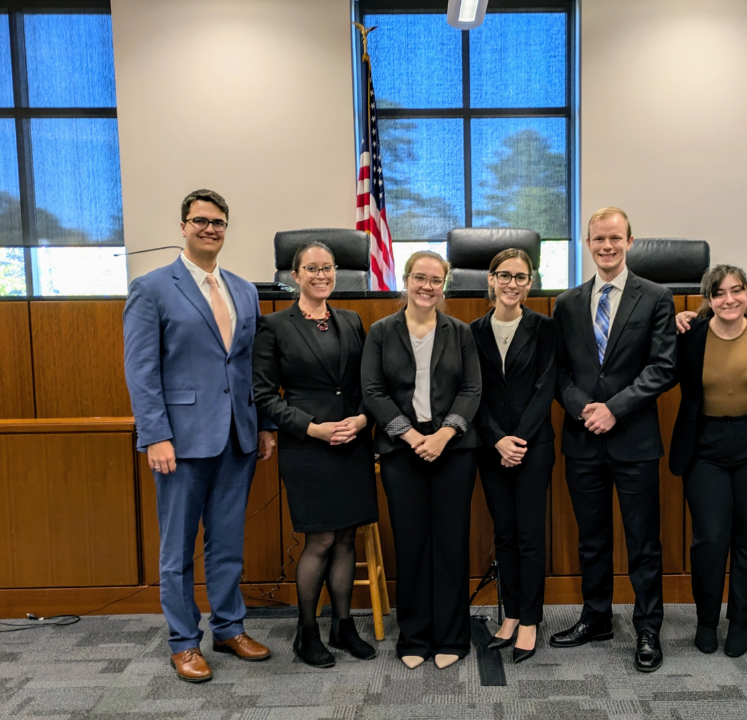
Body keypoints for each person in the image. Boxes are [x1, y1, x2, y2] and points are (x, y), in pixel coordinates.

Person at [123, 189, 276, 683]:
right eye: (200, 221)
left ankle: (229, 627)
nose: (210, 229)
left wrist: (265, 425)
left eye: (219, 222)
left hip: (238, 438)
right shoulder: (151, 288)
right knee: (177, 549)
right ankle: (184, 641)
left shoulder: (244, 289)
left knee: (228, 542)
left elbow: (253, 364)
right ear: (183, 227)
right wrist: (155, 435)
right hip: (180, 441)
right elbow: (141, 370)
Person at [550, 206, 676, 673]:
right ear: (587, 243)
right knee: (592, 539)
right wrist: (584, 407)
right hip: (583, 439)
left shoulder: (657, 297)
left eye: (615, 238)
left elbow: (663, 367)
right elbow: (559, 371)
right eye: (598, 239)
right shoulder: (566, 303)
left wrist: (614, 409)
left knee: (643, 541)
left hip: (635, 440)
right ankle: (596, 617)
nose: (607, 246)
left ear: (629, 241)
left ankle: (647, 629)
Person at [252, 241, 379, 668]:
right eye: (311, 268)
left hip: (352, 440)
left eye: (327, 268)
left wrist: (362, 420)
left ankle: (343, 627)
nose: (321, 275)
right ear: (294, 275)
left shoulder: (351, 320)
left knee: (346, 536)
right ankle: (307, 633)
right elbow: (265, 396)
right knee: (321, 538)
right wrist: (313, 428)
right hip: (308, 445)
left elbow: (367, 384)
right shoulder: (273, 326)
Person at [360, 251, 482, 670]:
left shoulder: (460, 331)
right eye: (419, 278)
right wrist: (413, 437)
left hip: (454, 452)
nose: (427, 286)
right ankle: (413, 636)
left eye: (435, 280)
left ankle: (452, 635)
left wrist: (444, 434)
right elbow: (373, 392)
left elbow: (472, 389)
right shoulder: (381, 331)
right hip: (401, 452)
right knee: (410, 545)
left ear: (444, 285)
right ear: (406, 280)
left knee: (450, 543)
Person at [668, 265, 747, 658]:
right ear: (708, 299)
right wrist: (676, 317)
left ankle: (739, 622)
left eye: (737, 291)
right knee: (711, 539)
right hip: (706, 447)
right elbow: (657, 364)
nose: (729, 299)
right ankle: (706, 620)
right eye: (719, 293)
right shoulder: (691, 335)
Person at [469, 248, 558, 664]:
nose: (512, 284)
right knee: (503, 533)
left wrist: (518, 440)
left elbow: (545, 391)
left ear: (530, 283)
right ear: (491, 279)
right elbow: (475, 393)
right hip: (491, 449)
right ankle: (509, 615)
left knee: (528, 535)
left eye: (521, 277)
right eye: (504, 276)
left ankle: (529, 621)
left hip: (533, 447)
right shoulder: (472, 331)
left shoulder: (544, 328)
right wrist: (496, 440)